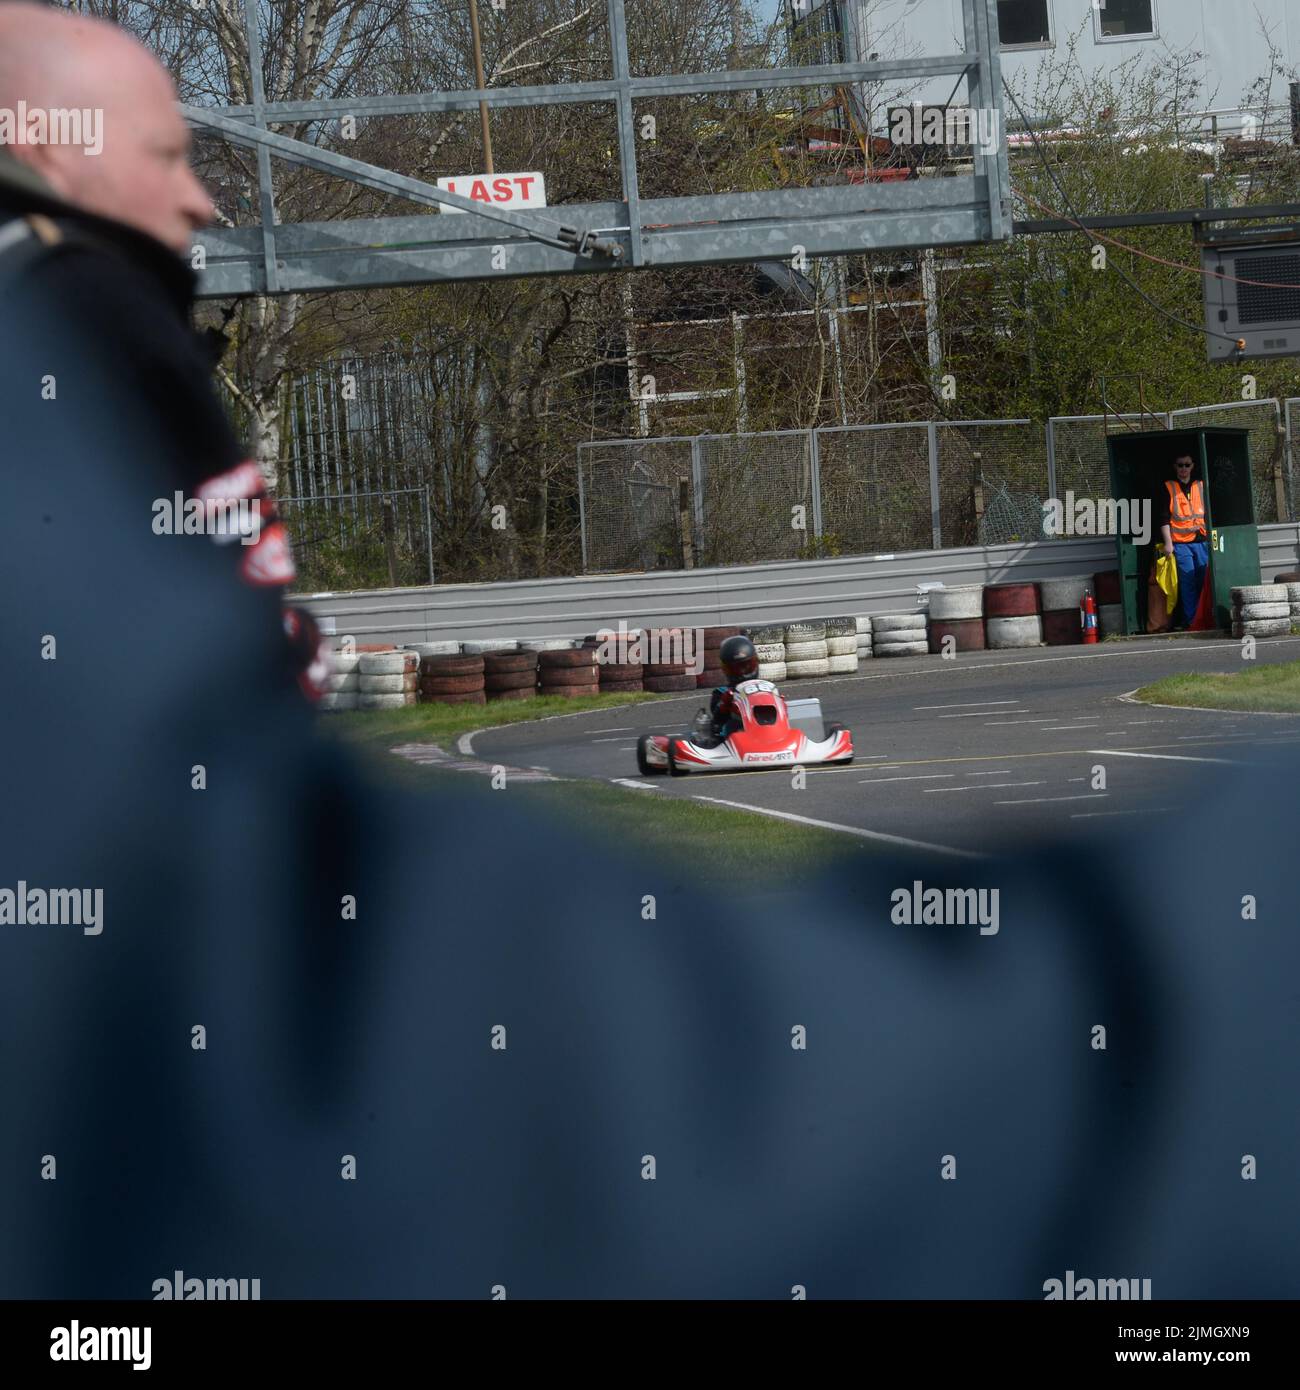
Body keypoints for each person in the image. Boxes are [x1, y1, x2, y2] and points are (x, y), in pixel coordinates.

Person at [0, 1, 328, 699]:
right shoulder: (91, 304)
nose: (199, 201)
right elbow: (248, 650)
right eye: (166, 155)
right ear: (50, 147)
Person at [1156, 451, 1210, 628]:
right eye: (1180, 465)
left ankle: (1206, 618)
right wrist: (1168, 543)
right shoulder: (1169, 487)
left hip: (1202, 541)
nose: (1183, 469)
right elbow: (1164, 518)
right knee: (1187, 583)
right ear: (1175, 467)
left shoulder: (1201, 486)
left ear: (1192, 466)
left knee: (1204, 580)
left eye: (1187, 465)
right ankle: (1192, 622)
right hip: (1180, 543)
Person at [705, 633, 761, 742]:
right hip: (734, 739)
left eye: (747, 666)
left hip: (767, 733)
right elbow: (716, 723)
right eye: (736, 669)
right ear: (727, 670)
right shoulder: (721, 693)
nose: (743, 672)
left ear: (755, 663)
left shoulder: (766, 688)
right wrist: (725, 705)